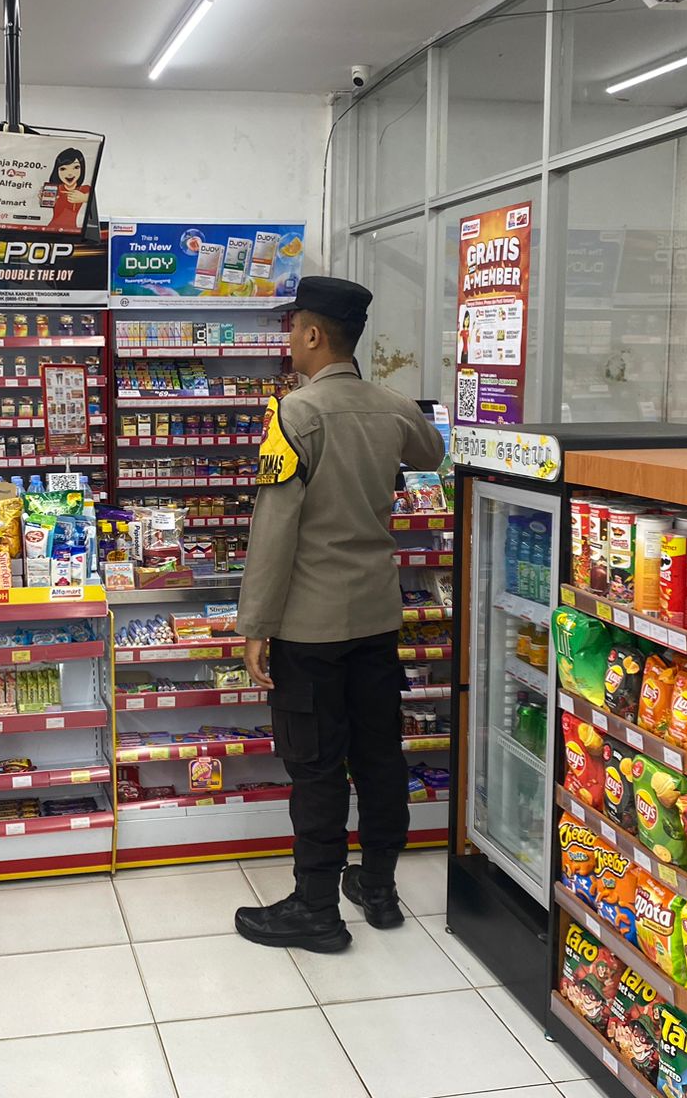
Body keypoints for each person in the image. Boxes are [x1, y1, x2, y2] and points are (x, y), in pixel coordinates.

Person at [233, 276, 445, 953]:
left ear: (314, 334)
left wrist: (255, 625)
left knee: (317, 766)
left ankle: (316, 908)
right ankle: (378, 890)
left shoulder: (296, 414)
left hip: (311, 625)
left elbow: (275, 531)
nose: (288, 340)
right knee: (379, 757)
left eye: (292, 327)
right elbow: (432, 453)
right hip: (376, 618)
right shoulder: (392, 407)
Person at [44, 147, 91, 233]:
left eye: (76, 167)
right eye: (63, 169)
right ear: (57, 171)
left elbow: (95, 198)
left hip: (74, 231)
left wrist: (84, 197)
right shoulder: (55, 189)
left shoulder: (84, 189)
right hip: (52, 230)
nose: (70, 173)